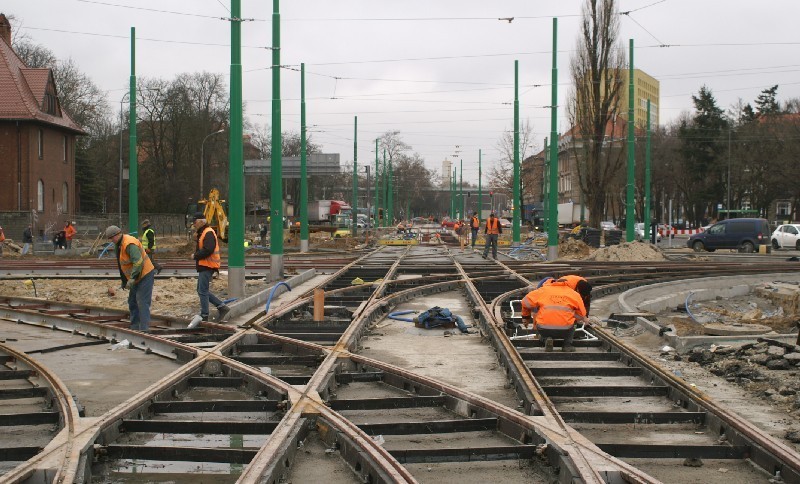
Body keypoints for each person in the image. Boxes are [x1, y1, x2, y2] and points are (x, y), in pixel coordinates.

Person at [106, 225, 155, 332]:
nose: (111, 240)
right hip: (135, 276)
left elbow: (138, 262)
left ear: (118, 235)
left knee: (142, 301)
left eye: (111, 238)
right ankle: (134, 327)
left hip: (145, 274)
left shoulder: (129, 244)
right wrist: (125, 281)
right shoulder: (119, 245)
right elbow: (122, 265)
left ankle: (144, 330)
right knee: (132, 301)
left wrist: (132, 279)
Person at [520, 278, 587, 352]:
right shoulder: (574, 294)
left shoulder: (542, 290)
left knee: (540, 320)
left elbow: (525, 302)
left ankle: (546, 339)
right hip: (565, 330)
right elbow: (582, 314)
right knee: (573, 321)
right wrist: (571, 316)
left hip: (544, 329)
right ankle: (567, 345)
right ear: (566, 284)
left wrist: (526, 317)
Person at [192, 212, 231, 322]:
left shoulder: (208, 232)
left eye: (195, 222)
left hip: (207, 265)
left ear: (200, 221)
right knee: (201, 290)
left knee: (202, 290)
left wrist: (195, 256)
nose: (194, 224)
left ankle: (205, 314)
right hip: (205, 265)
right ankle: (222, 307)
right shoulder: (204, 232)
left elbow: (208, 249)